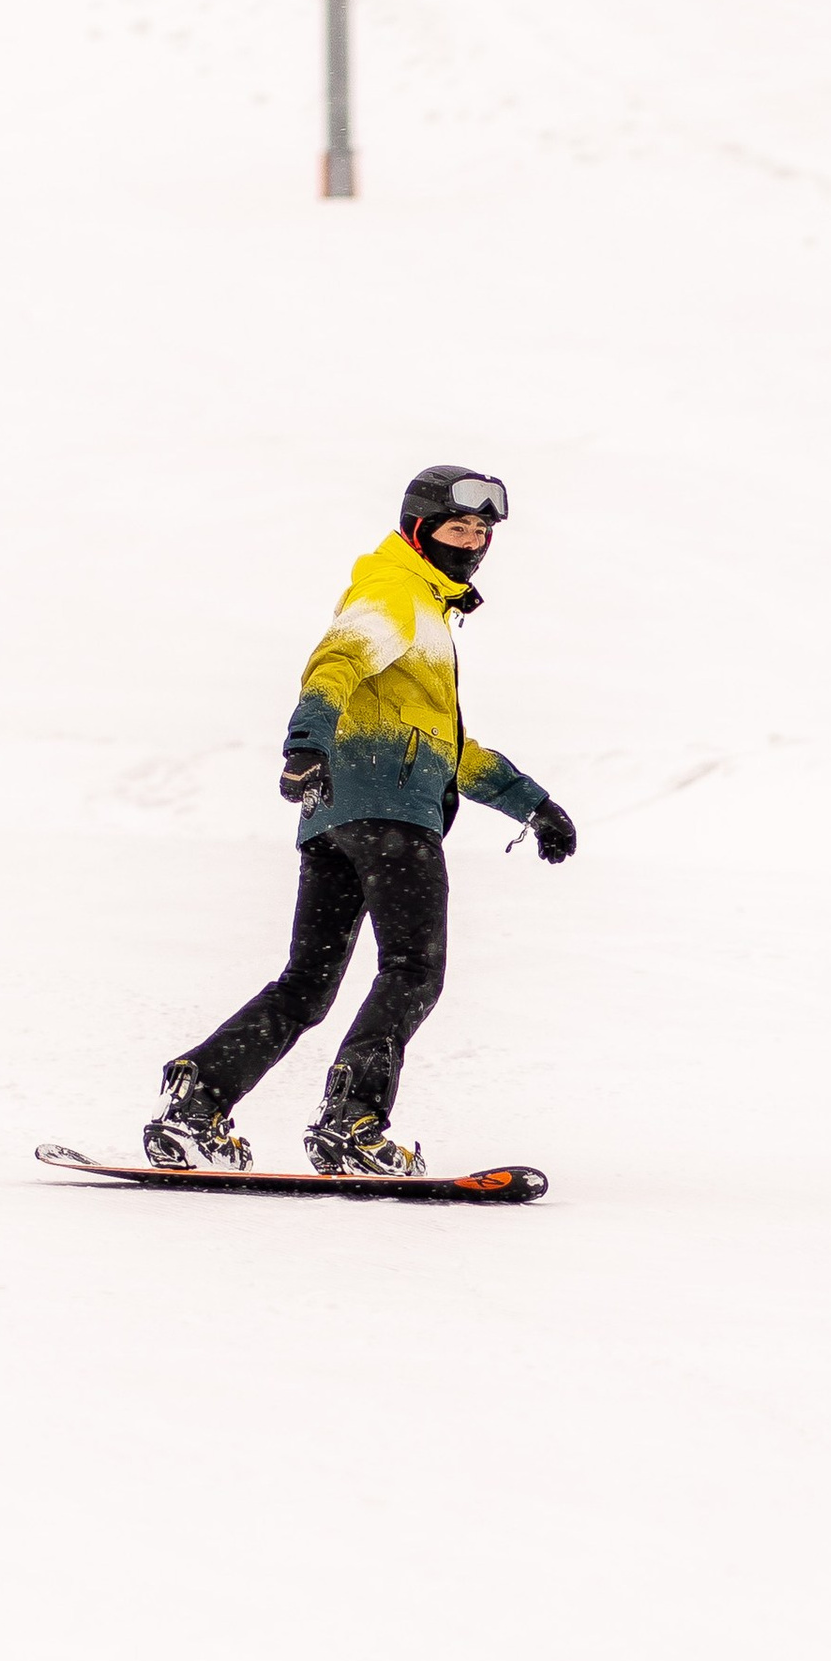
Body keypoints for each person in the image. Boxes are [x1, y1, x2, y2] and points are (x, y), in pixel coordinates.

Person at [144, 466, 577, 1179]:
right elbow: (337, 662)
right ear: (420, 528)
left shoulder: (425, 610)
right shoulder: (395, 589)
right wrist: (305, 742)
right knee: (412, 971)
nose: (470, 541)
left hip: (336, 818)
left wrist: (529, 801)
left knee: (306, 985)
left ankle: (198, 1098)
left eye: (480, 532)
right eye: (457, 527)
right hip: (392, 815)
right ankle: (354, 1120)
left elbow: (448, 747)